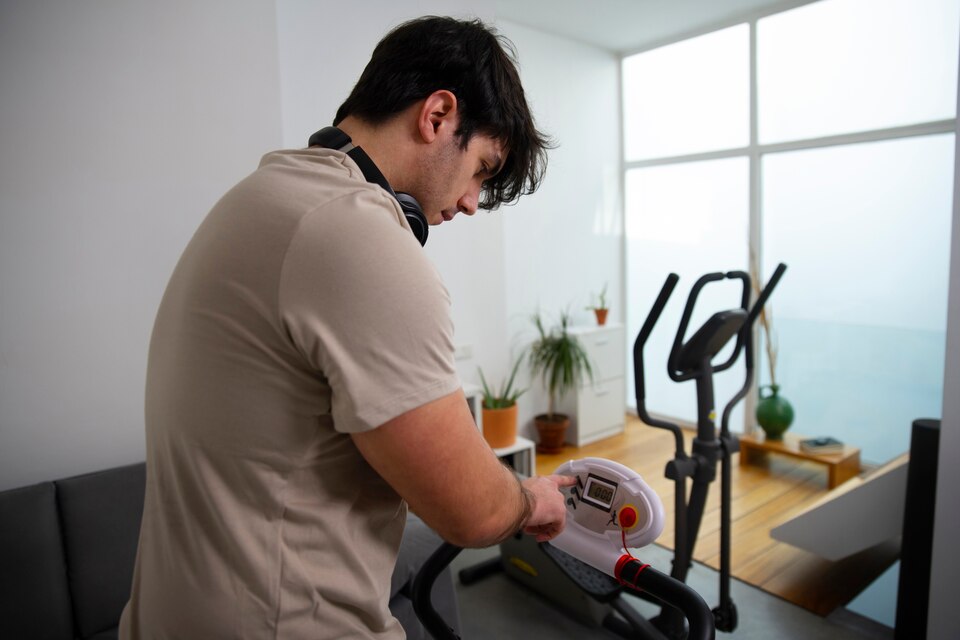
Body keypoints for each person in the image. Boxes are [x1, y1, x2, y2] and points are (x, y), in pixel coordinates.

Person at [119, 15, 573, 640]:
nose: (471, 202)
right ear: (438, 115)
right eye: (482, 168)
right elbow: (471, 511)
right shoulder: (361, 236)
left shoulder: (257, 197)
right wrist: (532, 500)